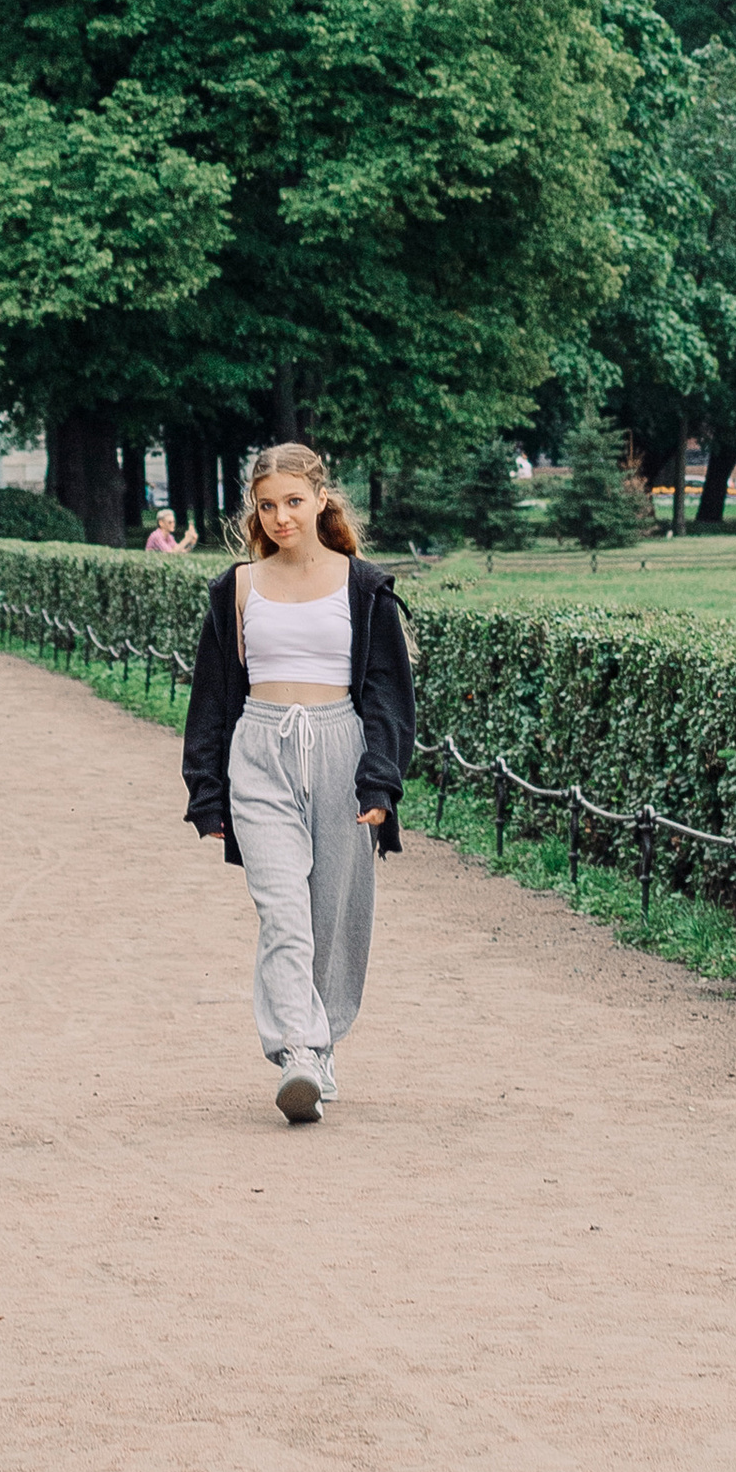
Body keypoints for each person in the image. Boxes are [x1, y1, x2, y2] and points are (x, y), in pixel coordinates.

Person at [178, 440, 416, 1126]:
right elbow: (212, 698)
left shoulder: (363, 585)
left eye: (293, 502)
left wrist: (380, 784)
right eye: (267, 506)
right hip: (260, 750)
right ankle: (299, 1054)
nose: (281, 517)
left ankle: (322, 1041)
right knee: (282, 910)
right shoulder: (239, 587)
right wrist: (207, 791)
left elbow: (387, 696)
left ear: (320, 500)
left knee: (333, 916)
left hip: (341, 750)